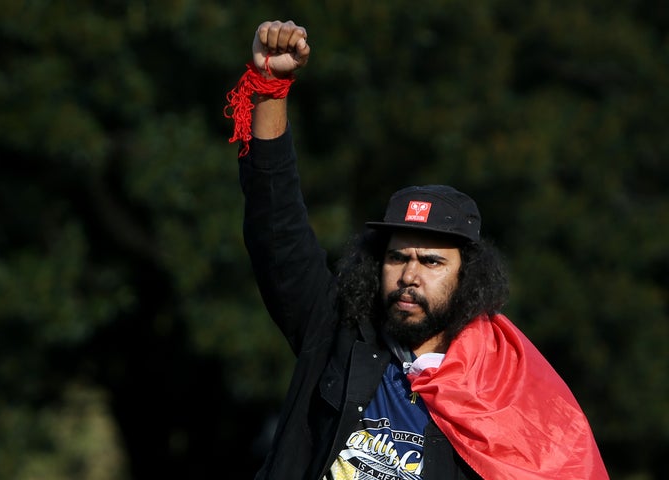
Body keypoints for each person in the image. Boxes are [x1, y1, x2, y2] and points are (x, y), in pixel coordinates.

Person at [225, 20, 610, 480]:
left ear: (467, 277)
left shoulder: (499, 384)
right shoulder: (334, 331)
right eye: (397, 257)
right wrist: (272, 87)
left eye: (431, 262)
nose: (410, 275)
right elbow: (277, 230)